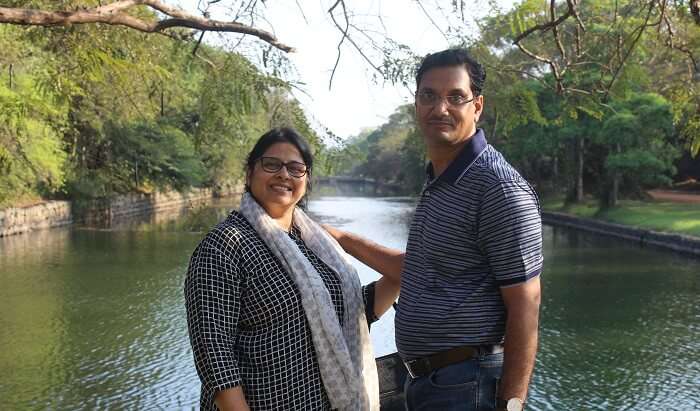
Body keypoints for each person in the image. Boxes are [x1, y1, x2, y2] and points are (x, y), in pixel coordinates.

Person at [324, 48, 543, 411]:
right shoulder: (441, 179)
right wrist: (342, 239)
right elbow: (422, 270)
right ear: (416, 103)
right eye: (429, 95)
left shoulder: (497, 188)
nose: (440, 108)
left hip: (468, 386)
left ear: (477, 105)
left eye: (455, 97)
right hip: (427, 382)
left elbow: (526, 304)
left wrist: (511, 404)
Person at [184, 127, 399, 411]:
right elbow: (215, 356)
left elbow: (355, 312)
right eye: (271, 164)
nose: (284, 175)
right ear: (249, 173)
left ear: (307, 180)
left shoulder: (316, 244)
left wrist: (346, 240)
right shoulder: (225, 245)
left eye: (296, 168)